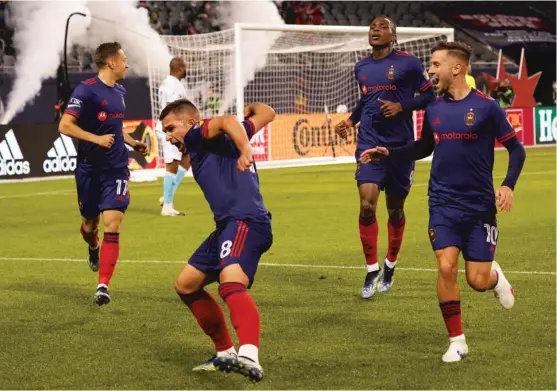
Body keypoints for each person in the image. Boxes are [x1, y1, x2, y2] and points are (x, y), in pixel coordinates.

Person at [360, 41, 525, 362]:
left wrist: (508, 185)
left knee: (476, 280)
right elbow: (423, 147)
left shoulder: (487, 107)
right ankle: (457, 340)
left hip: (479, 207)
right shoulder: (433, 108)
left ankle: (495, 277)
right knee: (446, 266)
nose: (430, 71)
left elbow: (516, 149)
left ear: (457, 68)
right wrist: (389, 152)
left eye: (436, 65)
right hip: (442, 203)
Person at [159, 99, 275, 382]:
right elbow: (267, 113)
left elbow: (223, 121)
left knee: (231, 282)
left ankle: (249, 354)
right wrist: (252, 110)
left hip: (245, 221)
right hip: (227, 226)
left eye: (171, 128)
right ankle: (225, 352)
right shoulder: (222, 137)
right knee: (186, 285)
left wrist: (246, 148)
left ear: (191, 122)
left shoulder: (198, 134)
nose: (169, 137)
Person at [335, 16, 435, 299]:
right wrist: (351, 121)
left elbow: (429, 97)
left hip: (400, 147)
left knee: (395, 209)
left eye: (381, 27)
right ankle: (371, 269)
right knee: (367, 204)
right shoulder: (361, 67)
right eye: (371, 27)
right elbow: (365, 100)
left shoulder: (410, 64)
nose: (375, 30)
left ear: (393, 35)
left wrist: (402, 105)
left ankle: (390, 263)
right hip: (369, 142)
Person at [58, 42, 148, 306]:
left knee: (113, 223)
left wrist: (132, 143)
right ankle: (93, 246)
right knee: (89, 226)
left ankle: (103, 285)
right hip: (88, 168)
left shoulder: (120, 91)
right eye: (124, 59)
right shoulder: (85, 91)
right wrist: (95, 139)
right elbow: (65, 125)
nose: (127, 64)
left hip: (116, 168)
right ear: (111, 62)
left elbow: (115, 127)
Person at [157, 57, 191, 216]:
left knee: (187, 158)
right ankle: (167, 206)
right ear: (180, 68)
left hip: (173, 128)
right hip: (170, 130)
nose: (187, 70)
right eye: (185, 67)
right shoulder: (173, 86)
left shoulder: (167, 83)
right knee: (172, 164)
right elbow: (172, 111)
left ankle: (167, 196)